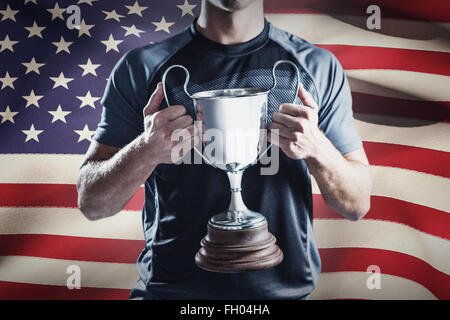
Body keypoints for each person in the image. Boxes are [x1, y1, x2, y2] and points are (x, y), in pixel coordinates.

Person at [76, 0, 372, 300]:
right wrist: (145, 150)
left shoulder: (315, 67)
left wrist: (317, 148)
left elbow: (357, 203)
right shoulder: (143, 67)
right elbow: (92, 202)